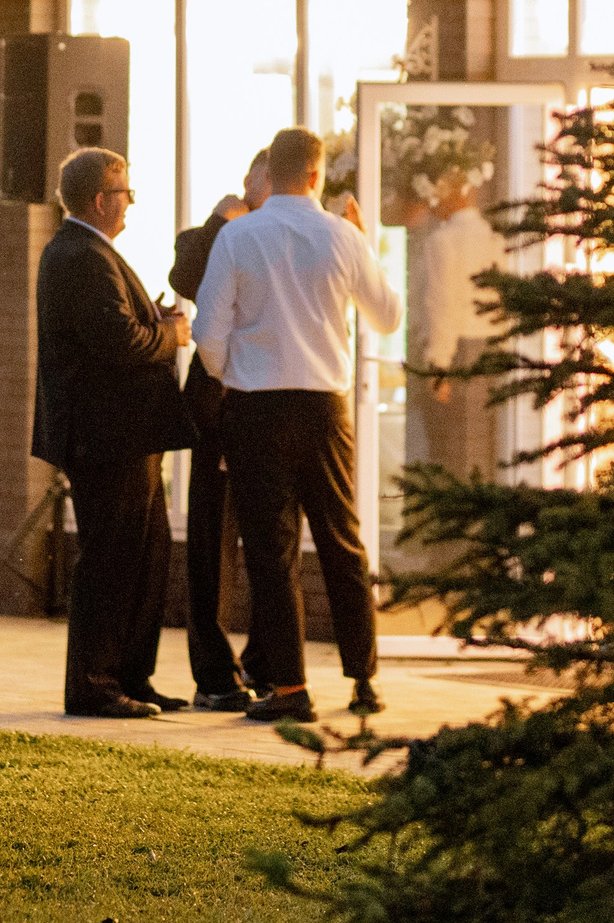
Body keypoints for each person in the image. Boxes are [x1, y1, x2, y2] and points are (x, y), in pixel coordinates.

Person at [195, 127, 403, 724]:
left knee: (272, 550)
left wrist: (238, 370)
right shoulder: (342, 236)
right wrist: (365, 244)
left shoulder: (237, 237)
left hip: (256, 408)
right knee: (342, 541)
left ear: (271, 173)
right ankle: (363, 681)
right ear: (316, 176)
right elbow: (387, 317)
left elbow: (210, 332)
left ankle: (290, 691)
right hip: (324, 409)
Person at [32, 147, 194, 718]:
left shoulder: (92, 252)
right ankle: (93, 684)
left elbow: (119, 326)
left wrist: (156, 317)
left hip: (128, 433)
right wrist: (171, 336)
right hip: (107, 436)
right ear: (101, 200)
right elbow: (117, 342)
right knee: (111, 559)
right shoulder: (80, 255)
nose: (131, 204)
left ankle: (132, 676)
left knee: (147, 553)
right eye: (125, 194)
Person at [169, 149, 273, 712]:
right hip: (217, 413)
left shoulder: (284, 240)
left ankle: (263, 662)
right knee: (211, 544)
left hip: (268, 412)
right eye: (260, 176)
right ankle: (213, 673)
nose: (266, 185)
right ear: (246, 182)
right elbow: (184, 277)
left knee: (268, 545)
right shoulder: (202, 236)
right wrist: (217, 223)